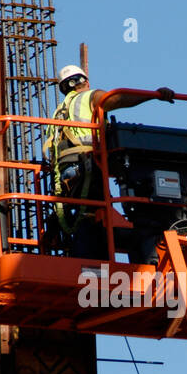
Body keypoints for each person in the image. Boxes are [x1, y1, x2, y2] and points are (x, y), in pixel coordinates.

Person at [45, 65, 175, 259]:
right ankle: (93, 263)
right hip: (85, 167)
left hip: (64, 176)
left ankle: (84, 259)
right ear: (86, 82)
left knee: (82, 217)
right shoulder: (88, 96)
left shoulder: (58, 113)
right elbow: (117, 98)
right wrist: (154, 95)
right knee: (93, 216)